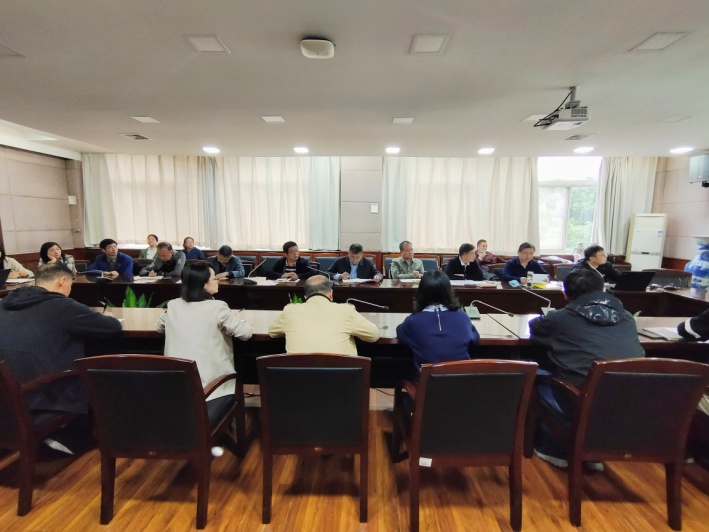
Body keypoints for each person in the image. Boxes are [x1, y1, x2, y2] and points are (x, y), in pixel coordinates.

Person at [0, 263, 122, 454]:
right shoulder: (62, 305)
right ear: (62, 281)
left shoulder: (4, 304)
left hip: (6, 395)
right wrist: (109, 316)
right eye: (70, 286)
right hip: (43, 394)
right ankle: (66, 438)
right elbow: (112, 327)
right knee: (96, 376)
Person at [529, 269, 645, 468]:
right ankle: (594, 448)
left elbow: (535, 328)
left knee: (536, 375)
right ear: (603, 290)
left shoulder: (560, 318)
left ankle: (554, 447)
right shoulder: (627, 318)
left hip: (581, 401)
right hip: (631, 402)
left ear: (565, 294)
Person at [157, 263, 252, 408]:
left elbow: (159, 327)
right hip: (209, 388)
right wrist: (239, 320)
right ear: (203, 285)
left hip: (176, 386)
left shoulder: (173, 305)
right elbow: (245, 333)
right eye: (214, 278)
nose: (217, 281)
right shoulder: (218, 307)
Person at [268, 275, 380, 355]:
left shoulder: (290, 311)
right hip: (341, 378)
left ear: (305, 297)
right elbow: (374, 335)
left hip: (299, 378)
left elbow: (272, 332)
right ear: (331, 294)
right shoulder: (346, 310)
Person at [396, 271, 479, 370]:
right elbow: (475, 338)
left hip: (428, 379)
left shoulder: (413, 321)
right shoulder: (462, 317)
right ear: (449, 292)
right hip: (462, 378)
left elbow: (400, 333)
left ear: (420, 293)